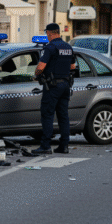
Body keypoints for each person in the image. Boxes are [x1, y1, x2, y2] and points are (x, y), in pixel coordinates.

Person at [33, 23, 76, 155]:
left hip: (52, 86)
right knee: (63, 116)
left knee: (47, 115)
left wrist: (36, 75)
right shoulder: (68, 47)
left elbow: (41, 67)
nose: (47, 36)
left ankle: (45, 146)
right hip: (65, 85)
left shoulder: (50, 47)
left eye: (47, 34)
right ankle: (64, 146)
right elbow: (73, 67)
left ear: (50, 33)